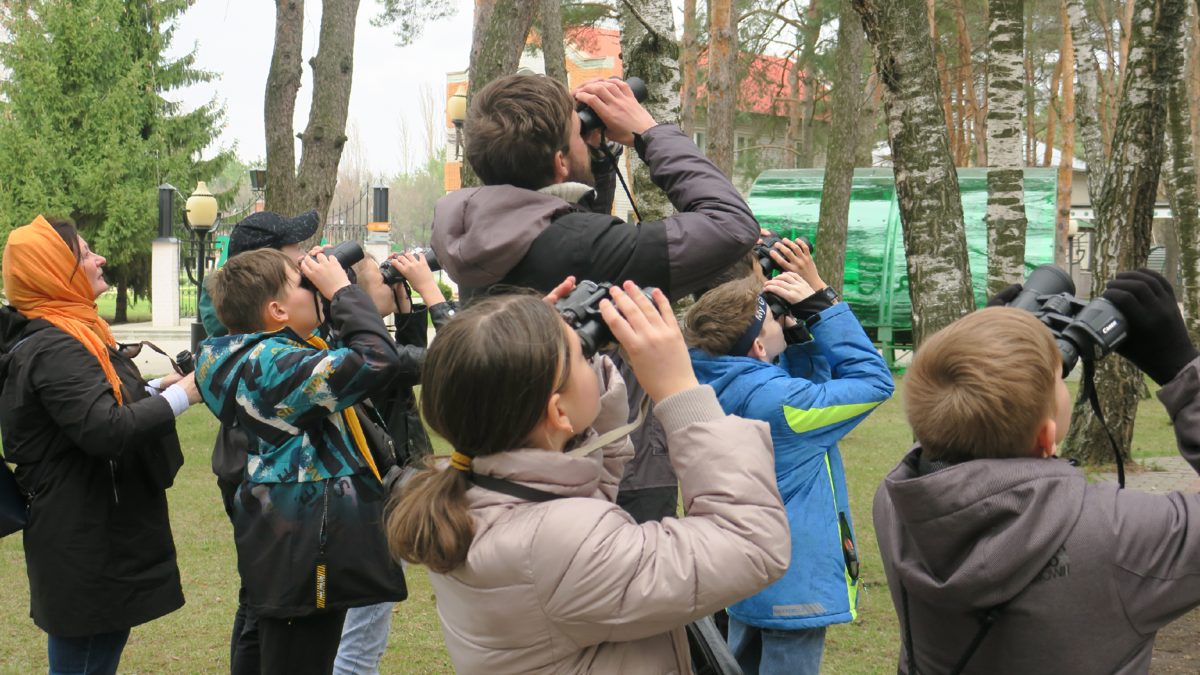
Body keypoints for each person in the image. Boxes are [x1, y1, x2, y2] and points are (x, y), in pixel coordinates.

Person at [386, 280, 791, 674]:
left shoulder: (478, 489)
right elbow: (750, 542)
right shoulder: (557, 543)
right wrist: (680, 390)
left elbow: (585, 482)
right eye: (580, 357)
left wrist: (523, 342)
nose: (591, 357)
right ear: (558, 413)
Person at [431, 74, 761, 524]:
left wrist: (597, 161)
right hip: (615, 466)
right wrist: (649, 131)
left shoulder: (479, 237)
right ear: (560, 161)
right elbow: (732, 226)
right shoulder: (582, 247)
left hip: (514, 468)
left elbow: (570, 230)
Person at [873, 269, 1200, 675]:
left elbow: (940, 435)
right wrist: (1183, 370)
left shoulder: (897, 501)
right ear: (1047, 438)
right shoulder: (1120, 533)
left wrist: (981, 350)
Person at [0, 215, 202, 675]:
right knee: (84, 663)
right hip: (84, 535)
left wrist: (156, 387)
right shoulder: (55, 346)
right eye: (85, 254)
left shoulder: (70, 332)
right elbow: (104, 429)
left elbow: (87, 410)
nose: (99, 259)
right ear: (55, 270)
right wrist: (185, 394)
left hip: (91, 528)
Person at [196, 248, 407, 675]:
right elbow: (376, 359)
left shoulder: (264, 356)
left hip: (292, 547)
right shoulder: (271, 365)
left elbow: (345, 358)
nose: (315, 287)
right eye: (302, 283)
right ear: (276, 310)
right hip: (302, 555)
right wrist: (343, 291)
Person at [684, 272, 894, 675]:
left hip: (742, 569)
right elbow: (874, 382)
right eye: (772, 320)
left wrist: (798, 338)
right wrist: (823, 310)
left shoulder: (709, 382)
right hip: (793, 578)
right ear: (760, 347)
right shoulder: (783, 404)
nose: (782, 320)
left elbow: (793, 392)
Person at [198, 209, 319, 675]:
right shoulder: (253, 326)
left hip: (245, 459)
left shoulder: (246, 310)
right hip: (253, 462)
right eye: (296, 256)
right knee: (262, 598)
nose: (306, 260)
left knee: (256, 595)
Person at [331, 251, 453, 675]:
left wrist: (404, 304)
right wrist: (429, 291)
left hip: (378, 493)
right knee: (360, 637)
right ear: (359, 300)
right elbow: (443, 361)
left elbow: (406, 359)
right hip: (379, 500)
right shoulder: (364, 356)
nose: (392, 278)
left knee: (361, 630)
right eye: (383, 276)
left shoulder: (347, 342)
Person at [198, 209, 319, 339]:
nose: (305, 255)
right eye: (298, 248)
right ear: (270, 261)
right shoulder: (292, 334)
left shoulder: (232, 341)